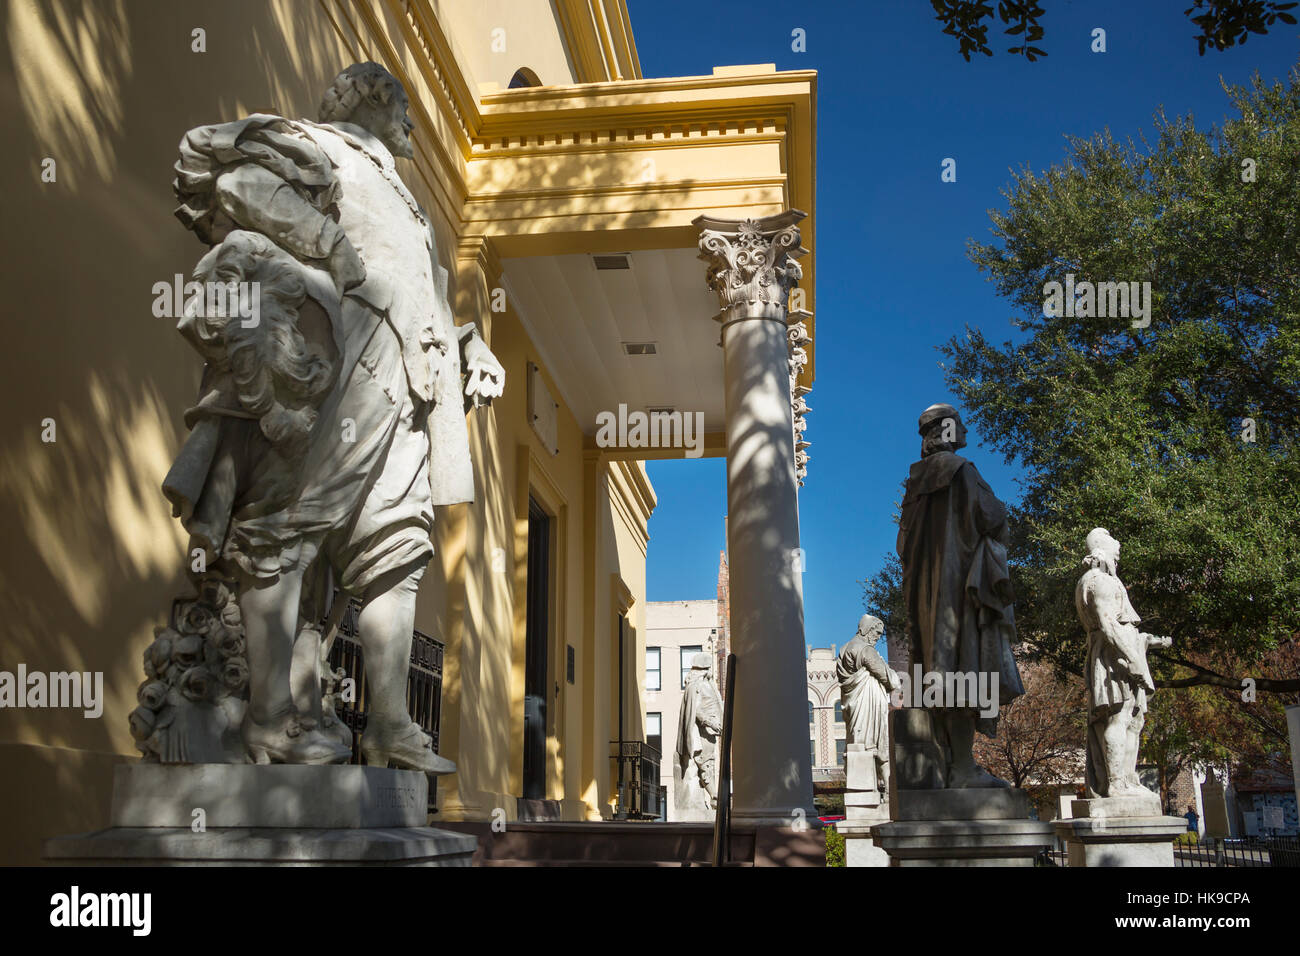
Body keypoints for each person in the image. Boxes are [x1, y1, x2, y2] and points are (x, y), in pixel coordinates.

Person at [165, 63, 504, 770]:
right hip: (350, 354)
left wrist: (468, 345)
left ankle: (388, 725)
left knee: (397, 546)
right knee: (288, 524)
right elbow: (233, 180)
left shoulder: (403, 194)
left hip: (416, 377)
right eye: (404, 107)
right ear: (373, 101)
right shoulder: (320, 146)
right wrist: (332, 247)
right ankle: (270, 719)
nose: (412, 126)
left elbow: (423, 294)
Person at [896, 403, 1024, 788]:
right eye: (959, 424)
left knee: (941, 669)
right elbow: (994, 517)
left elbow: (902, 545)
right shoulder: (961, 472)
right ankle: (963, 768)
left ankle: (952, 760)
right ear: (947, 430)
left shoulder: (914, 486)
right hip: (960, 590)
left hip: (927, 597)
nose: (964, 429)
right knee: (965, 667)